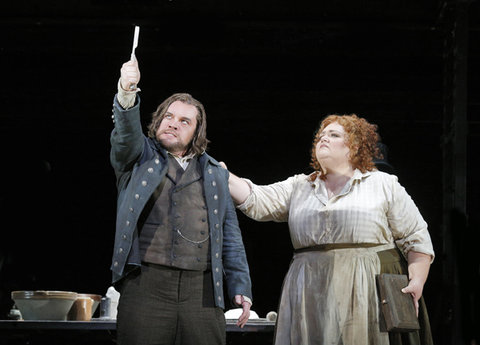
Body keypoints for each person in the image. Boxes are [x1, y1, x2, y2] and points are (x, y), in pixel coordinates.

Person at [221, 114, 435, 345]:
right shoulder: (300, 186)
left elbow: (415, 237)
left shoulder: (382, 184)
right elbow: (257, 198)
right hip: (309, 289)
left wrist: (417, 281)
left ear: (354, 146)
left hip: (365, 288)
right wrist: (220, 172)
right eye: (321, 136)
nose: (323, 139)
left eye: (334, 135)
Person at [109, 58, 252, 345]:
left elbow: (230, 233)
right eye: (168, 117)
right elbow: (125, 136)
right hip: (146, 285)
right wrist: (126, 91)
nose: (173, 124)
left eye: (184, 121)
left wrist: (240, 284)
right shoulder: (139, 159)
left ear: (197, 132)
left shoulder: (214, 173)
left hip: (201, 292)